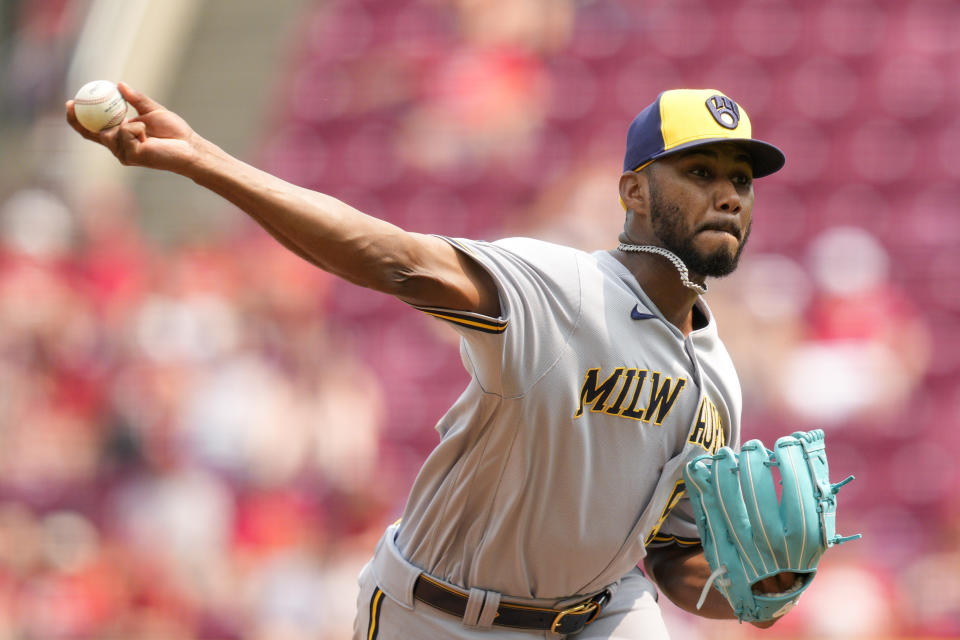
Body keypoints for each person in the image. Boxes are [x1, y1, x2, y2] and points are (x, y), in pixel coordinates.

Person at [67, 86, 796, 638]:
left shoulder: (719, 379)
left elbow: (672, 556)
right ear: (633, 191)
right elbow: (396, 260)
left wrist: (752, 591)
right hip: (438, 615)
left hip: (596, 617)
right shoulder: (563, 292)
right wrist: (206, 162)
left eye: (741, 179)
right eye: (701, 171)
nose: (728, 194)